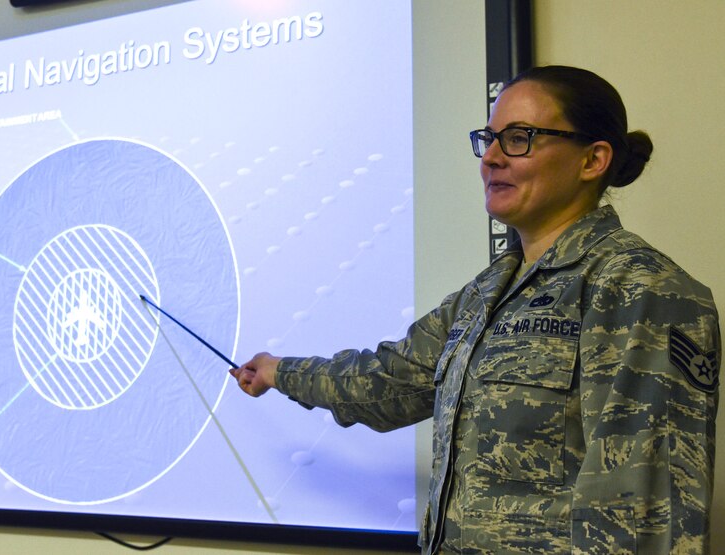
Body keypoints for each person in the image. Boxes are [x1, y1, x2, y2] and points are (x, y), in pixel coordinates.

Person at [230, 65, 720, 554]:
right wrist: (279, 372)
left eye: (519, 138)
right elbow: (385, 383)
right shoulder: (485, 293)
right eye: (489, 138)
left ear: (592, 160)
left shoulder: (640, 289)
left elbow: (644, 515)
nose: (490, 157)